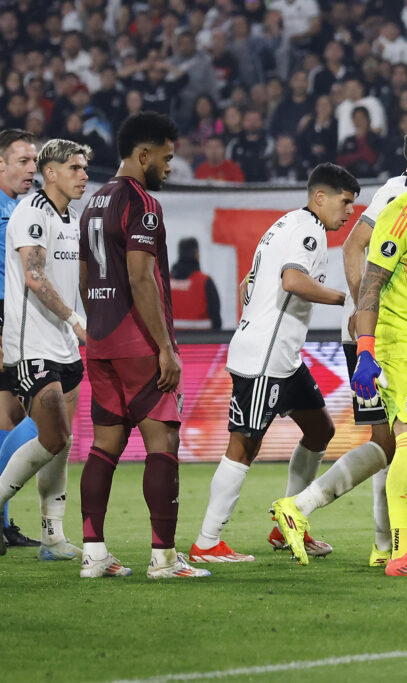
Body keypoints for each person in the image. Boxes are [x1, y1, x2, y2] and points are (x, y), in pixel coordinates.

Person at [274, 136, 407, 576]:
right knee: (406, 442)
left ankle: (403, 549)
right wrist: (367, 351)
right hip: (399, 341)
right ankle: (399, 553)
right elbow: (373, 282)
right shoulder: (404, 208)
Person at [189, 163, 358, 564]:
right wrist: (344, 300)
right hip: (263, 358)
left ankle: (289, 522)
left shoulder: (284, 224)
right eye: (345, 201)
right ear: (320, 197)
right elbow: (292, 281)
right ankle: (207, 541)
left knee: (320, 429)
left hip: (283, 356)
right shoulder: (309, 231)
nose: (350, 211)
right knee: (244, 446)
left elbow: (249, 282)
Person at [78, 111, 209, 580]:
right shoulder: (143, 203)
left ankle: (94, 555)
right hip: (138, 341)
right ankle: (164, 559)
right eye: (167, 158)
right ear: (144, 155)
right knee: (163, 441)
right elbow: (140, 277)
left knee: (105, 444)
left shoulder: (93, 201)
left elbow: (84, 277)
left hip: (100, 340)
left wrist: (99, 330)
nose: (170, 167)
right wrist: (165, 348)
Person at [326, 120, 407, 568]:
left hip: (399, 333)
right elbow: (353, 248)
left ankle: (392, 545)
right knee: (394, 439)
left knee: (395, 439)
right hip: (379, 334)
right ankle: (384, 542)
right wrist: (370, 322)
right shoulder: (398, 195)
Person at [0, 139, 90, 563]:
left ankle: (52, 537)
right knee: (52, 436)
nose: (84, 174)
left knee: (63, 441)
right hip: (31, 344)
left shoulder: (71, 216)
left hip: (65, 346)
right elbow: (34, 277)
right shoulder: (32, 213)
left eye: (85, 167)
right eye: (75, 168)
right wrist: (75, 318)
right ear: (52, 174)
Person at [0, 129, 37, 550]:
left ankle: (5, 520)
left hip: (17, 318)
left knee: (9, 417)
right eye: (24, 161)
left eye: (34, 161)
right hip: (2, 317)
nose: (31, 169)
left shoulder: (26, 207)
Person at [170, 237, 222, 331]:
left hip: (172, 343)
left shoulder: (165, 281)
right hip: (201, 343)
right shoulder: (205, 281)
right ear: (197, 254)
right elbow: (216, 321)